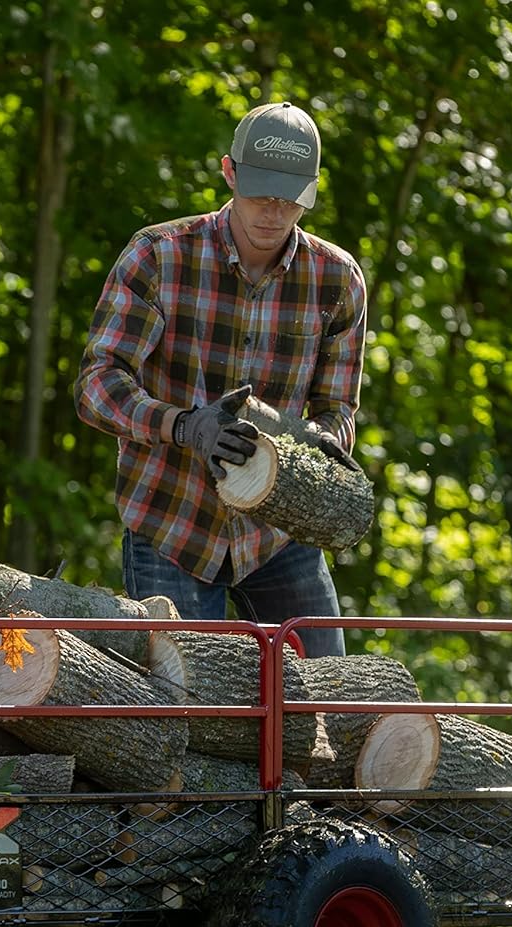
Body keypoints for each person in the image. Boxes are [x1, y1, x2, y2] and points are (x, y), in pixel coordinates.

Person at [74, 100, 368, 657]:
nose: (273, 213)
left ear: (311, 191)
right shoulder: (159, 256)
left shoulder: (337, 279)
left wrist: (322, 446)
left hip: (281, 532)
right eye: (260, 195)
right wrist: (184, 426)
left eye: (289, 200)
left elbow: (338, 407)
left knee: (330, 696)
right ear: (229, 173)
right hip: (171, 522)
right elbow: (97, 383)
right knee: (184, 708)